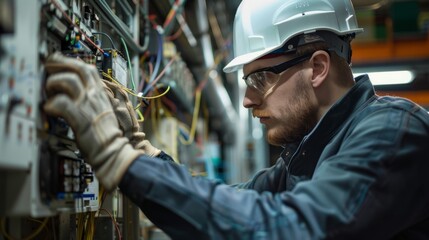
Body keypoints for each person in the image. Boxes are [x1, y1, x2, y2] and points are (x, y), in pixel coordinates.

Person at [43, 0, 429, 239]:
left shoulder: (392, 133)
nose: (246, 100)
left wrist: (118, 159)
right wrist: (143, 155)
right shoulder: (307, 154)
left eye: (260, 79)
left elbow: (290, 229)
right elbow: (237, 203)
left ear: (317, 67)